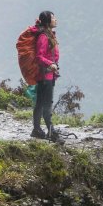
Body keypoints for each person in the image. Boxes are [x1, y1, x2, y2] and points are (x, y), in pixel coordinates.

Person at [31, 11, 60, 141]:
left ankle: (37, 129)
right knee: (45, 104)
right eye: (53, 18)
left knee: (41, 103)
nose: (56, 20)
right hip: (45, 76)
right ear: (48, 21)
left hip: (48, 75)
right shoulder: (43, 37)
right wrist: (50, 64)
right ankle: (51, 132)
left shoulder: (49, 35)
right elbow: (39, 57)